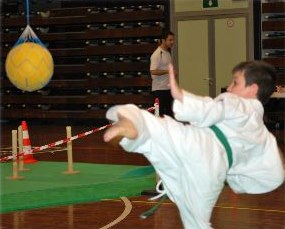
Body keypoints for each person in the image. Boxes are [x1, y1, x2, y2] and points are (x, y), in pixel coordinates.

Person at [103, 61, 285, 229]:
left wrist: (181, 96)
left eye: (235, 82)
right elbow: (273, 175)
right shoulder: (263, 134)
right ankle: (135, 132)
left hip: (199, 144)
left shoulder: (237, 102)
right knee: (197, 223)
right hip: (213, 174)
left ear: (252, 89)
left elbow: (213, 109)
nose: (229, 88)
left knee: (154, 126)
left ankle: (133, 128)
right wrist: (236, 179)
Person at [150, 30, 175, 117]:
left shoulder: (167, 53)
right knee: (158, 115)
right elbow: (153, 71)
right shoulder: (156, 54)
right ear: (164, 40)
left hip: (167, 89)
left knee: (169, 115)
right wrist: (168, 71)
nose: (172, 42)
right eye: (170, 40)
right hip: (159, 90)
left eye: (173, 40)